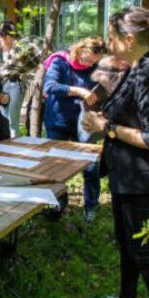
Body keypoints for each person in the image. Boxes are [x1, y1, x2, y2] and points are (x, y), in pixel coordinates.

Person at [82, 7, 149, 298]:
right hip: (126, 177)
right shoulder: (134, 69)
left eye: (111, 37)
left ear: (129, 39)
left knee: (146, 253)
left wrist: (105, 128)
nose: (108, 44)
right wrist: (96, 115)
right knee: (127, 244)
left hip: (143, 182)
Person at [43, 36, 105, 222]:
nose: (88, 64)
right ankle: (58, 203)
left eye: (93, 62)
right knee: (57, 166)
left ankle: (91, 205)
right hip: (58, 121)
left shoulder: (95, 68)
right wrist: (79, 91)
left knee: (91, 165)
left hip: (85, 123)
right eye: (87, 58)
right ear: (80, 48)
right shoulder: (60, 61)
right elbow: (50, 86)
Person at [0, 33, 44, 138]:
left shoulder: (22, 47)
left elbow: (32, 69)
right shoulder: (12, 49)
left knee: (12, 122)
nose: (1, 44)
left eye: (1, 40)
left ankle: (13, 145)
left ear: (8, 37)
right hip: (6, 84)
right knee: (5, 119)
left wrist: (25, 77)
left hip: (15, 84)